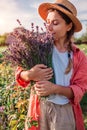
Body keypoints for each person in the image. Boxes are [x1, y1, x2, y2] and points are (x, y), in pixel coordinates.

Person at [15, 0, 87, 130]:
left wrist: (55, 89)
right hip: (38, 109)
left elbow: (80, 89)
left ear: (69, 26)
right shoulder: (38, 48)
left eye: (55, 23)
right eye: (47, 22)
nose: (48, 27)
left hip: (64, 112)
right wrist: (30, 74)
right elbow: (19, 74)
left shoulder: (78, 56)